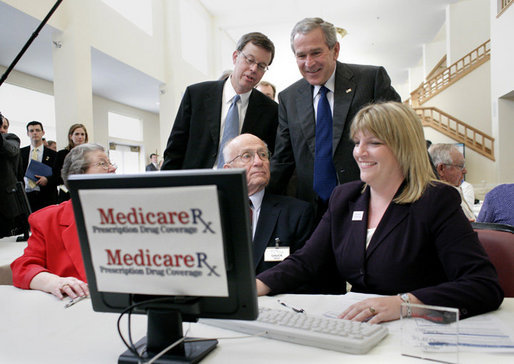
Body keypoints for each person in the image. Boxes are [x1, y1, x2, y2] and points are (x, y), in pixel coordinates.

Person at [257, 102, 503, 323]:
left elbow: (483, 285)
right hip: (361, 326)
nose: (359, 152)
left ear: (404, 149)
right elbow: (306, 261)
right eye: (357, 142)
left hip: (415, 331)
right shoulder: (345, 197)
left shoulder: (436, 200)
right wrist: (255, 285)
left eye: (373, 143)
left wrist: (405, 303)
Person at [269, 17, 401, 220]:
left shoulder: (371, 80)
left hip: (370, 202)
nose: (309, 63)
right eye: (301, 55)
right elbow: (283, 160)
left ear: (335, 50)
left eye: (316, 52)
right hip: (313, 212)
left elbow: (404, 137)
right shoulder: (289, 98)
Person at [11, 143, 116, 299]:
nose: (113, 169)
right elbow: (24, 267)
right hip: (73, 309)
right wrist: (53, 282)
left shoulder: (132, 215)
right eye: (102, 164)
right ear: (77, 176)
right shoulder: (47, 220)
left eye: (111, 163)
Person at [161, 32, 278, 171]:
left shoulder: (270, 110)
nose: (253, 69)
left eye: (261, 66)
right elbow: (175, 149)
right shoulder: (196, 95)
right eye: (250, 60)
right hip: (197, 184)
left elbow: (271, 159)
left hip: (242, 188)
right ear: (235, 57)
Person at [223, 134, 314, 274]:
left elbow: (303, 272)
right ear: (228, 170)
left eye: (263, 154)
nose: (259, 162)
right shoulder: (213, 213)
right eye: (247, 156)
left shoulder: (297, 213)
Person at [18, 121, 58, 241]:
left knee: (48, 230)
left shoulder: (53, 154)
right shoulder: (21, 153)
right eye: (31, 131)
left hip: (46, 196)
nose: (35, 133)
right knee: (31, 231)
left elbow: (58, 175)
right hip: (27, 196)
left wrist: (48, 179)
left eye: (37, 130)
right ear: (27, 133)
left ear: (43, 132)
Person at [428, 143, 475, 221]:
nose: (465, 171)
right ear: (441, 169)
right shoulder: (445, 197)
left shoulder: (454, 190)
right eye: (461, 166)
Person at [0, 114, 24, 238]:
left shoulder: (11, 139)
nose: (2, 129)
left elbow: (11, 150)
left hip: (6, 203)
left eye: (5, 126)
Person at [52, 123, 89, 203]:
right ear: (70, 136)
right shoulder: (62, 154)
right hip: (66, 193)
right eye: (77, 134)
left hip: (85, 192)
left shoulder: (89, 154)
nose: (80, 137)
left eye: (82, 134)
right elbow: (56, 175)